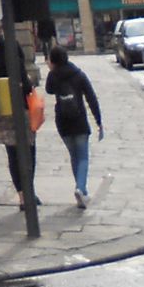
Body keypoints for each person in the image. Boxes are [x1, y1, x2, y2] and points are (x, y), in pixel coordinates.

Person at [45, 46, 105, 209]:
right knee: (83, 157)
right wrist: (99, 121)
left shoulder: (53, 76)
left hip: (63, 122)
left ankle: (81, 190)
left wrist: (51, 69)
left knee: (74, 156)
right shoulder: (78, 75)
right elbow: (91, 98)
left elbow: (48, 90)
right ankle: (80, 188)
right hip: (79, 120)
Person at [0, 46, 43, 209]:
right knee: (29, 153)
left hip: (2, 114)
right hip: (21, 112)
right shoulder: (16, 63)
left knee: (12, 155)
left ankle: (22, 196)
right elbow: (26, 87)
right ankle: (29, 191)